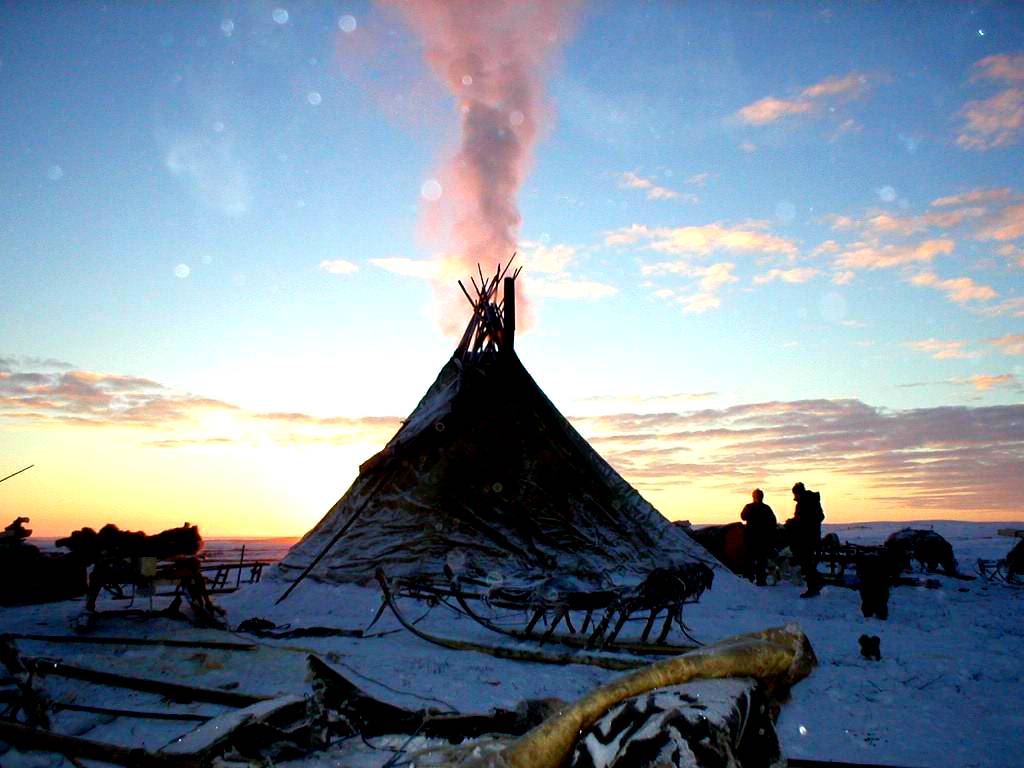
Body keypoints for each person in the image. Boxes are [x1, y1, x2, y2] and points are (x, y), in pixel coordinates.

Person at [787, 481, 824, 597]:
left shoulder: (804, 503)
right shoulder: (813, 501)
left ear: (798, 493)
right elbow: (820, 516)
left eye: (795, 494)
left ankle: (813, 587)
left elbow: (802, 520)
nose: (795, 497)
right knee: (808, 564)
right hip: (813, 536)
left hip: (805, 538)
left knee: (807, 564)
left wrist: (792, 522)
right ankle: (816, 584)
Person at [740, 489, 776, 586]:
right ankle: (760, 580)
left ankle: (749, 578)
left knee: (750, 559)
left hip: (752, 537)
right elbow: (773, 522)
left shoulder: (749, 507)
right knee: (761, 560)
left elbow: (743, 516)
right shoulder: (766, 508)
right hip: (762, 538)